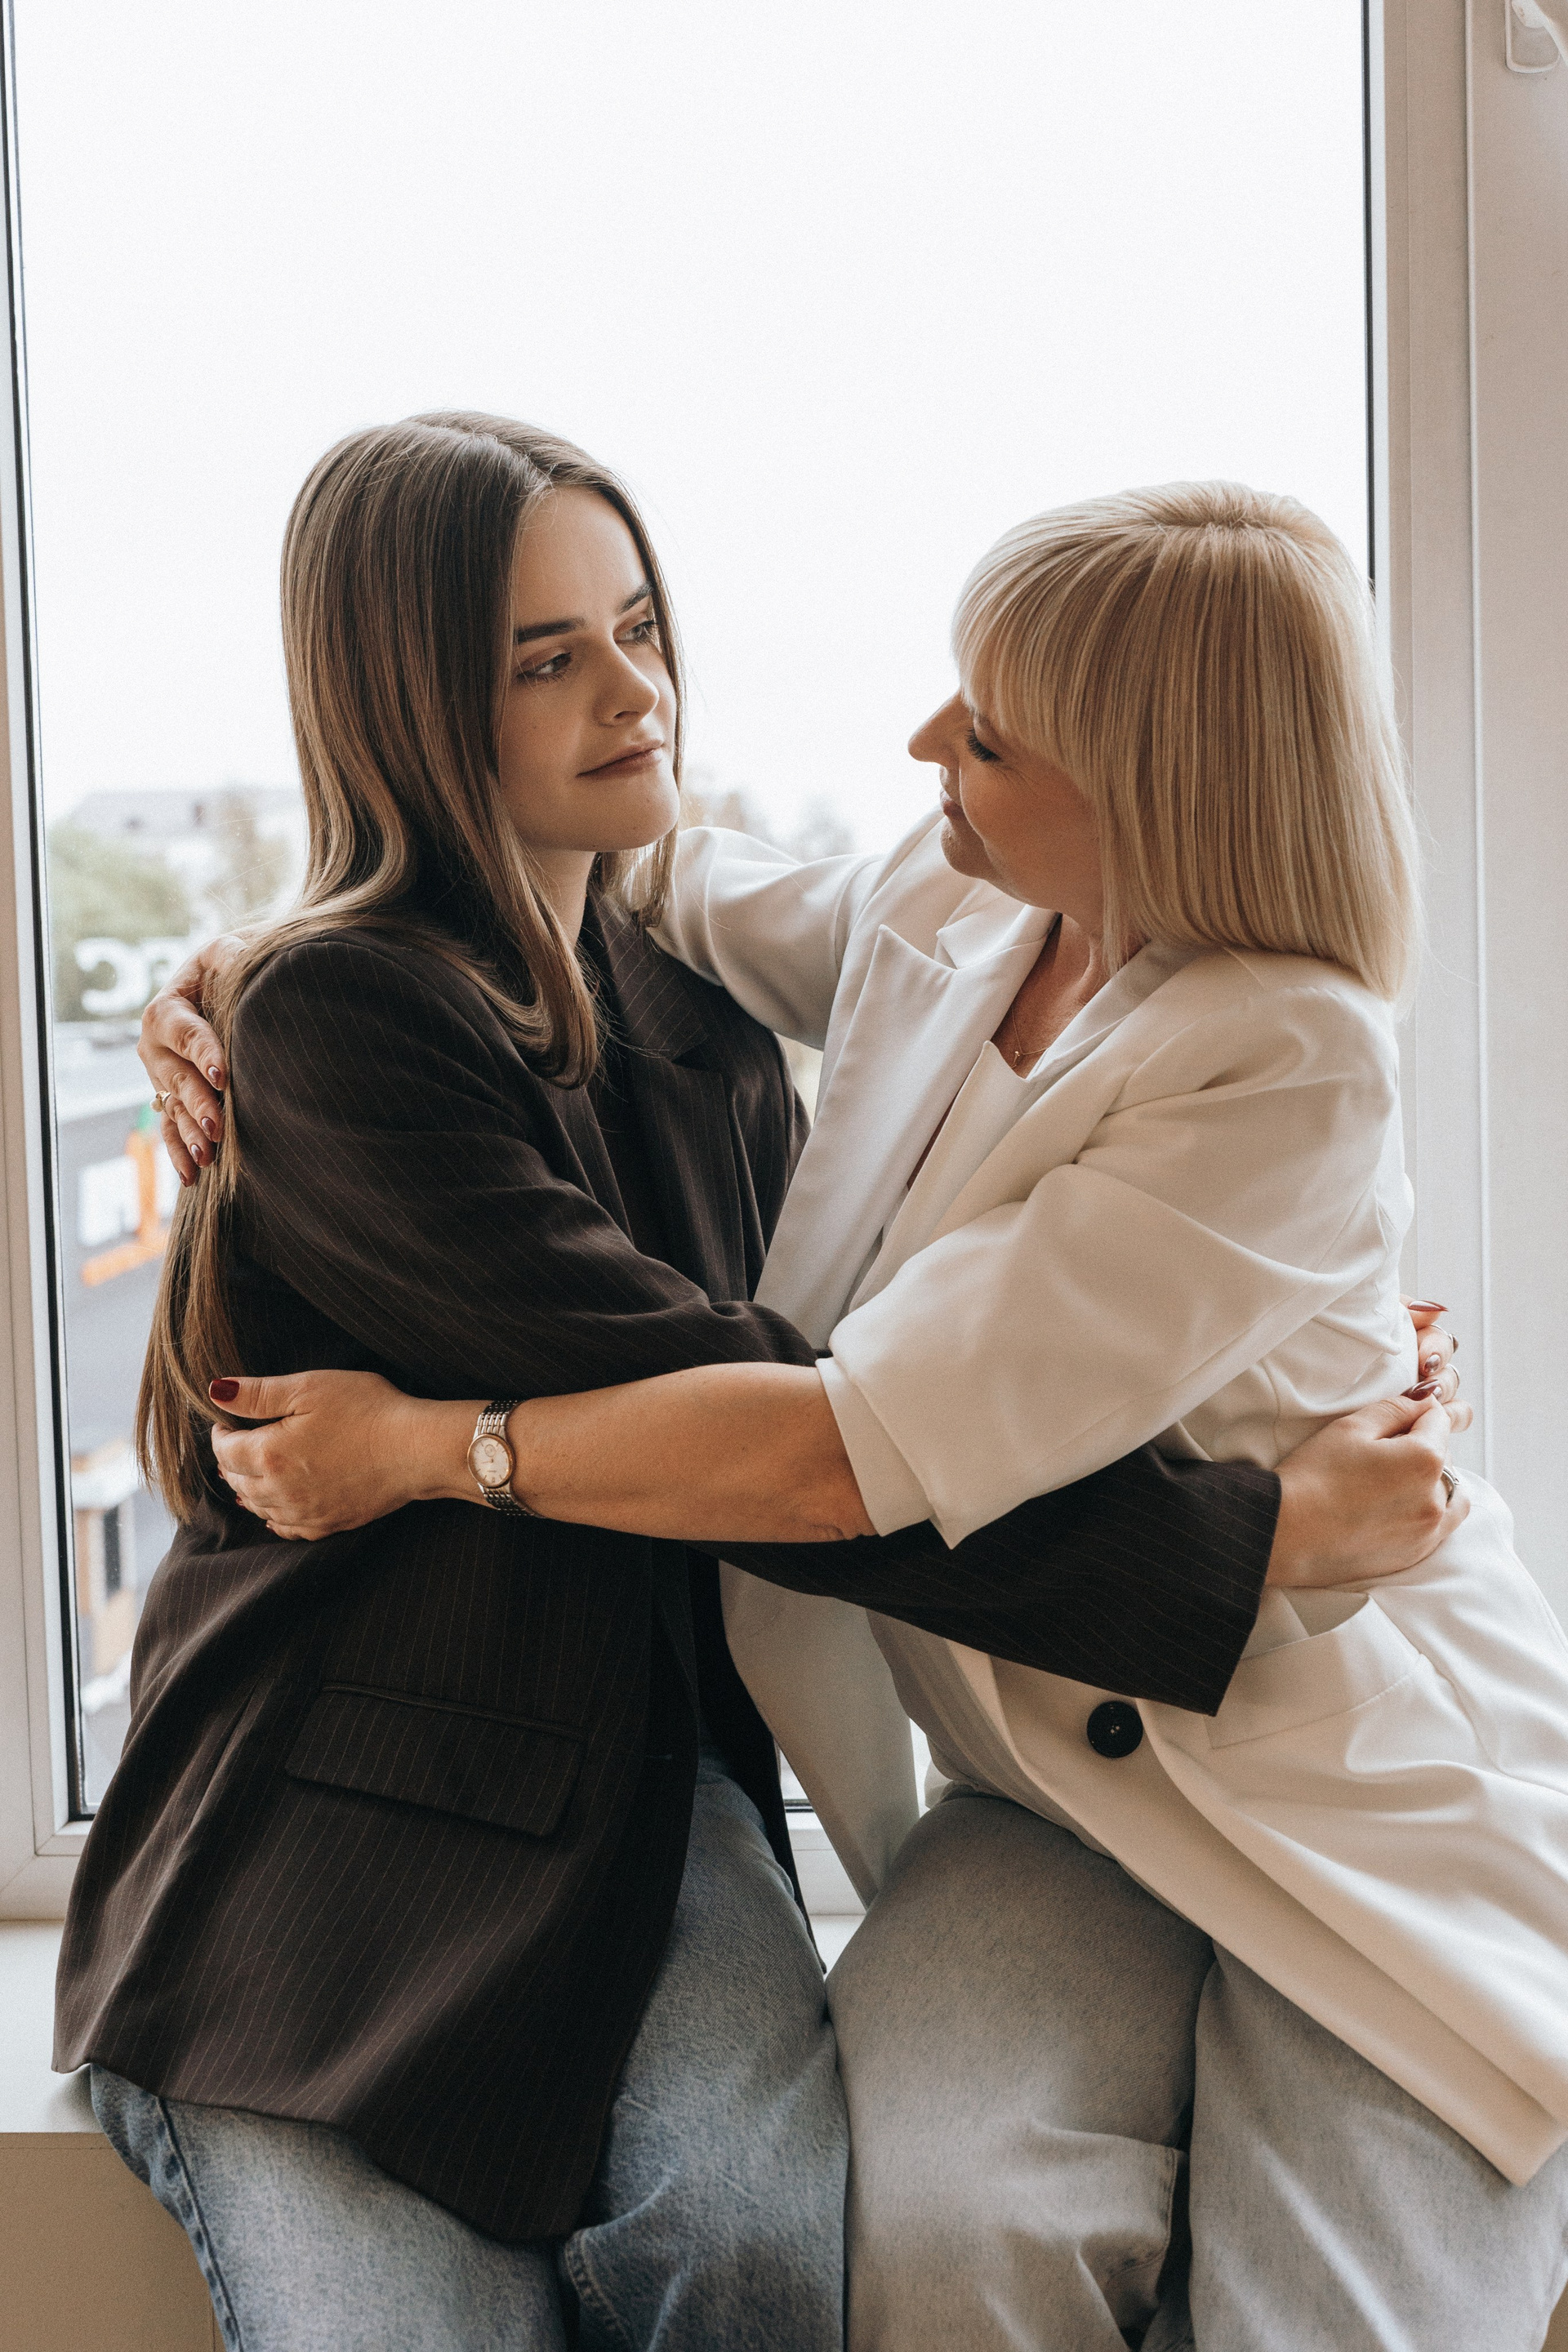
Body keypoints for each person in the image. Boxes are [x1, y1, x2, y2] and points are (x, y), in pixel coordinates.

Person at [58, 423, 1451, 2352]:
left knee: (766, 2255)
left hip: (652, 1780)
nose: (637, 692)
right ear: (411, 701)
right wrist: (1237, 1543)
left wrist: (1270, 1358)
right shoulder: (346, 1018)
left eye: (639, 628)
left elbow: (835, 1411)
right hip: (338, 1822)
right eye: (548, 659)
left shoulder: (693, 1012)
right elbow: (794, 1438)